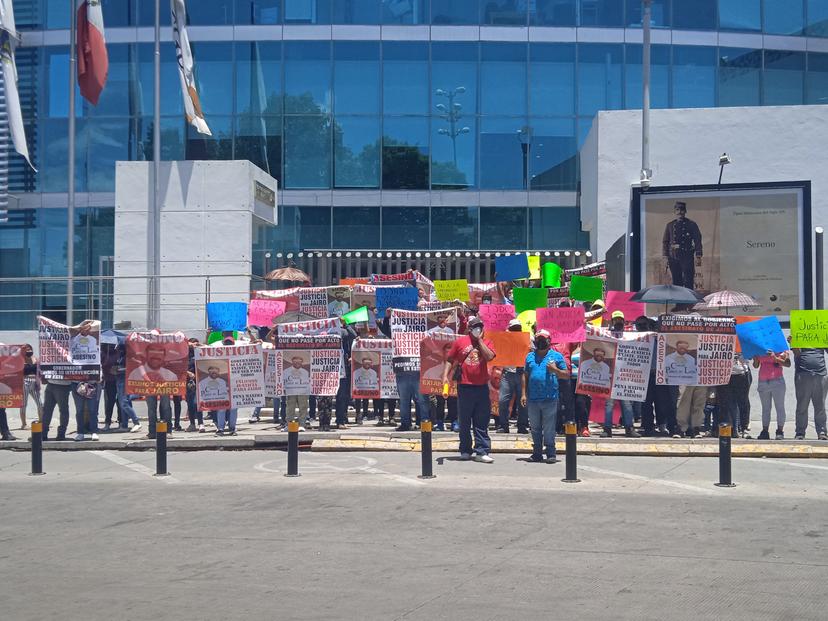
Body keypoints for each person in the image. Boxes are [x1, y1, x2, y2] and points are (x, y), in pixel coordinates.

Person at [442, 316, 497, 463]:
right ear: (469, 329)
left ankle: (481, 450)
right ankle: (465, 449)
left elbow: (490, 356)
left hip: (481, 387)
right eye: (475, 327)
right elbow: (449, 360)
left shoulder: (487, 342)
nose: (478, 329)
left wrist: (479, 341)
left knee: (481, 420)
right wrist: (445, 376)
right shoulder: (460, 342)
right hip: (465, 386)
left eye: (480, 327)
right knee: (465, 421)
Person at [521, 329, 568, 463]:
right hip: (533, 398)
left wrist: (555, 370)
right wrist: (523, 394)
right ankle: (537, 453)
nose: (541, 342)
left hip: (550, 398)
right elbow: (525, 375)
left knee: (549, 427)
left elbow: (565, 374)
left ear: (549, 341)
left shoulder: (557, 356)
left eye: (543, 340)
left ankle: (550, 452)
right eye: (539, 340)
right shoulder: (529, 356)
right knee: (535, 427)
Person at [600, 311, 640, 438]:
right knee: (609, 404)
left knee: (627, 403)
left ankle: (629, 428)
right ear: (612, 321)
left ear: (624, 321)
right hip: (610, 375)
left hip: (624, 376)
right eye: (616, 320)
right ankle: (607, 429)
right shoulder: (606, 335)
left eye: (620, 320)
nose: (618, 322)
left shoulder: (629, 336)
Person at [662, 201, 703, 288]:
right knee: (676, 281)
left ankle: (689, 301)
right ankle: (679, 301)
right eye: (677, 210)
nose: (680, 212)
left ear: (685, 211)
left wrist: (698, 255)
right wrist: (665, 257)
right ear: (674, 212)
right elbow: (665, 242)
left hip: (687, 256)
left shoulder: (691, 224)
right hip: (673, 257)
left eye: (682, 210)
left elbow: (697, 239)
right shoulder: (670, 225)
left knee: (688, 280)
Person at [496, 318, 527, 434]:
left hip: (521, 373)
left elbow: (533, 350)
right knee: (503, 400)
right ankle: (504, 425)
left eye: (518, 328)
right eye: (513, 328)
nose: (516, 330)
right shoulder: (504, 339)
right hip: (507, 373)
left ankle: (522, 425)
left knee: (522, 401)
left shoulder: (527, 338)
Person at [791, 345, 828, 440]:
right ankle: (800, 432)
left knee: (820, 406)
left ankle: (822, 432)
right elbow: (797, 354)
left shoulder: (821, 333)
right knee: (802, 405)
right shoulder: (799, 332)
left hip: (820, 373)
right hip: (803, 373)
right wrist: (793, 344)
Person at [753, 349, 790, 440]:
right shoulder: (760, 348)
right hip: (763, 381)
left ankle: (780, 431)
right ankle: (765, 431)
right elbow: (756, 365)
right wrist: (755, 358)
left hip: (777, 380)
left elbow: (787, 364)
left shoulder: (781, 347)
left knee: (779, 407)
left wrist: (775, 357)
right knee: (766, 408)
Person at [19, 344, 41, 430]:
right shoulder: (21, 360)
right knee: (24, 404)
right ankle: (24, 424)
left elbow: (39, 371)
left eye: (30, 349)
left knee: (40, 403)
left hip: (34, 382)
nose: (28, 351)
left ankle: (41, 422)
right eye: (26, 350)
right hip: (25, 382)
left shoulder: (35, 359)